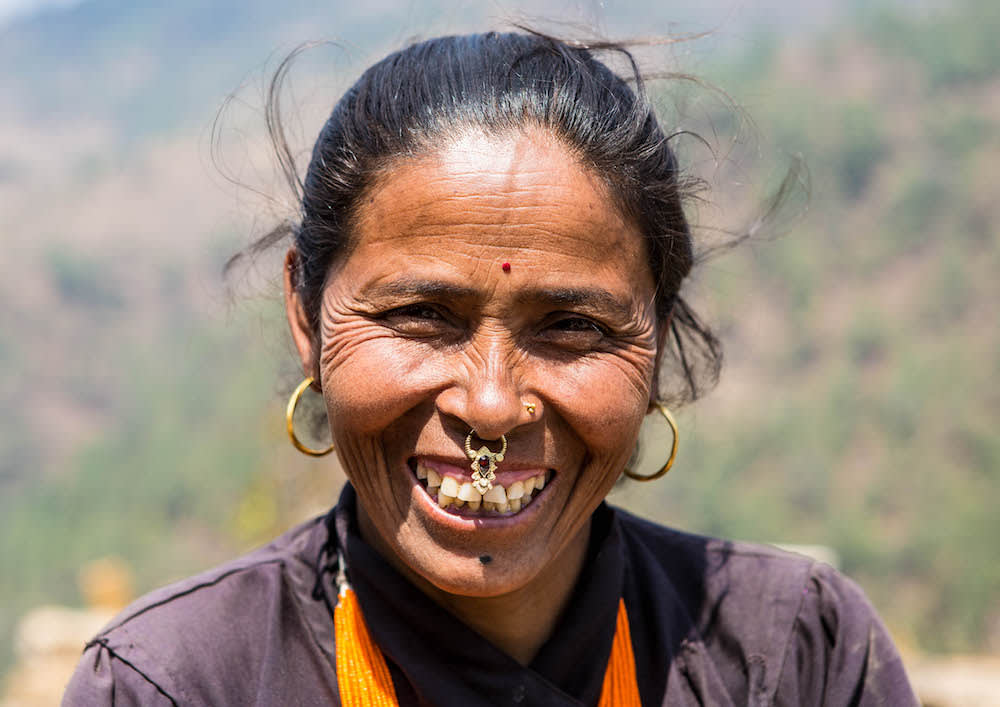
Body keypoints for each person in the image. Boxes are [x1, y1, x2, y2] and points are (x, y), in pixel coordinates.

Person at [63, 31, 917, 706]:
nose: (492, 403)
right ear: (305, 315)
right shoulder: (173, 685)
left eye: (573, 326)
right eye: (421, 316)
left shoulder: (796, 656)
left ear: (656, 334)